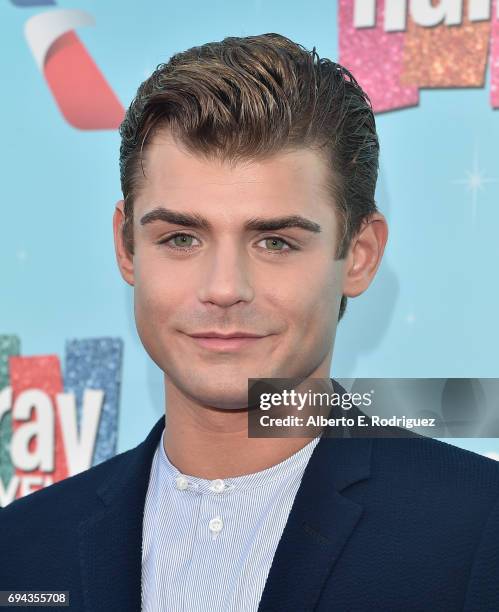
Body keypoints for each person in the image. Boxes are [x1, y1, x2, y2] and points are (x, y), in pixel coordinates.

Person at [1, 32, 499, 612]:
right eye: (181, 238)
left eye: (276, 242)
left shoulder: (479, 529)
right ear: (127, 246)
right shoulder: (21, 548)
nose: (224, 290)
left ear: (359, 255)